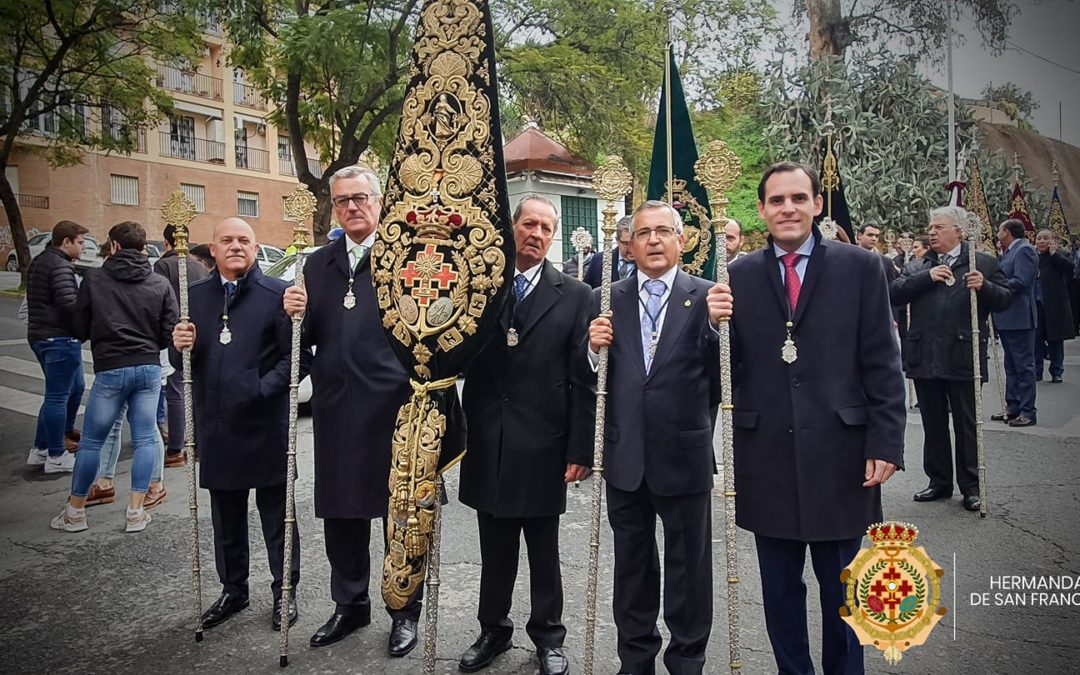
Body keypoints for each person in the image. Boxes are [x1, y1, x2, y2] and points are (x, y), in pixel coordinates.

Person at [715, 162, 905, 675]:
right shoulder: (736, 277)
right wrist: (713, 328)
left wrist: (886, 442)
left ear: (817, 204)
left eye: (799, 198)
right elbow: (725, 371)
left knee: (844, 591)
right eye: (777, 200)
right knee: (779, 593)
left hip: (841, 456)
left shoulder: (860, 266)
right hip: (766, 457)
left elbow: (882, 362)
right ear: (761, 210)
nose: (788, 209)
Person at [283, 165, 421, 655]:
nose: (351, 207)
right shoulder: (315, 266)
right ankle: (350, 604)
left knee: (401, 516)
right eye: (342, 200)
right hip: (336, 407)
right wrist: (294, 315)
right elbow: (303, 341)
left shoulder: (408, 258)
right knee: (341, 512)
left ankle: (403, 610)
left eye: (360, 198)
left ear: (380, 202)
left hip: (395, 407)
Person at [457, 196, 593, 675]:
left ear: (553, 237)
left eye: (546, 228)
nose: (536, 233)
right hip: (488, 438)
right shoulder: (480, 285)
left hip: (544, 442)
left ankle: (549, 637)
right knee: (494, 549)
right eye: (529, 224)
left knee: (543, 549)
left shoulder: (575, 295)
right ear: (511, 227)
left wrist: (581, 447)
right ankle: (493, 629)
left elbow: (583, 378)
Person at [586, 200, 720, 675]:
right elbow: (589, 379)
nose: (654, 240)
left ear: (682, 240)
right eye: (643, 233)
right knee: (632, 568)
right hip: (625, 456)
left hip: (684, 455)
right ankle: (635, 659)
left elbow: (725, 379)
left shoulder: (708, 297)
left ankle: (687, 659)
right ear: (630, 244)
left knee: (689, 570)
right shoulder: (605, 298)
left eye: (664, 231)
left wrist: (716, 331)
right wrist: (592, 350)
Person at [172, 217, 302, 631]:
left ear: (256, 248)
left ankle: (285, 591)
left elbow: (297, 358)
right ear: (212, 249)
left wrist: (260, 390)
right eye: (226, 240)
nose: (235, 246)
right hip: (218, 424)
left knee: (278, 517)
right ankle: (234, 590)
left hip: (265, 425)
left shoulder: (278, 294)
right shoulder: (193, 297)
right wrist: (179, 347)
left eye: (244, 240)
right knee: (226, 518)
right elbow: (183, 364)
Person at [49, 221, 178, 533]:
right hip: (147, 365)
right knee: (146, 436)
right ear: (144, 247)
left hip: (110, 366)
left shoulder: (95, 279)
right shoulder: (158, 282)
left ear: (115, 246)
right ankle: (135, 510)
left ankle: (75, 511)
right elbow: (169, 329)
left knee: (92, 440)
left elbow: (80, 325)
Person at [890, 206, 1012, 512]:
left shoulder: (981, 262)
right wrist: (926, 278)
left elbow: (1005, 299)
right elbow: (895, 293)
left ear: (958, 232)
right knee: (933, 424)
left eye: (939, 227)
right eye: (930, 227)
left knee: (966, 424)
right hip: (926, 355)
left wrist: (985, 286)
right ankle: (939, 481)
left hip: (963, 354)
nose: (932, 232)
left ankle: (971, 486)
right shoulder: (918, 265)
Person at [26, 220, 87, 473]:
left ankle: (42, 448)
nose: (83, 248)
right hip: (59, 338)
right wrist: (84, 326)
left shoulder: (42, 261)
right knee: (58, 396)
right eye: (80, 243)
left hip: (43, 336)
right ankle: (56, 454)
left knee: (72, 389)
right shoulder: (60, 266)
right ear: (66, 241)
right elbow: (69, 304)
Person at [153, 224, 209, 467]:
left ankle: (176, 447)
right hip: (200, 330)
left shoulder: (164, 265)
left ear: (167, 242)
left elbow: (160, 300)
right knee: (193, 389)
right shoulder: (198, 266)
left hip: (177, 331)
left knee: (176, 389)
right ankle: (194, 441)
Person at [991, 219, 1039, 427]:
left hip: (1020, 316)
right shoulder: (1009, 251)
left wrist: (993, 286)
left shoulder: (1024, 250)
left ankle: (1028, 410)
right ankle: (1013, 406)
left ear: (1008, 232)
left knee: (1023, 365)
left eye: (1000, 230)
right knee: (1011, 365)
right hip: (1007, 316)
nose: (997, 233)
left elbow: (1022, 281)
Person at [1034, 229, 1076, 383]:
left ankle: (1057, 370)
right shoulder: (1032, 256)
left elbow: (1070, 268)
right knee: (1036, 340)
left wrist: (1054, 254)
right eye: (1039, 238)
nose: (1042, 241)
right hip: (1036, 303)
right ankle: (1037, 371)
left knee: (1056, 340)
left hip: (1054, 304)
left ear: (1053, 240)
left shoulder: (1059, 255)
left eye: (1046, 238)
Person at [583, 215, 635, 288]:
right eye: (626, 243)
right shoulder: (599, 260)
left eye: (635, 243)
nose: (632, 248)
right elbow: (587, 290)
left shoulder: (647, 263)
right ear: (617, 240)